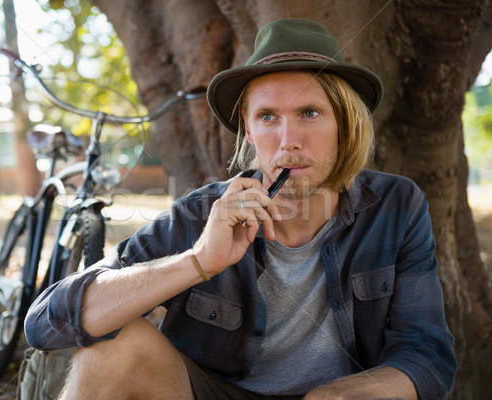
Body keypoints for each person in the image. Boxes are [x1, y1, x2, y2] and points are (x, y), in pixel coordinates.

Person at [24, 18, 457, 399]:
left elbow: (427, 353)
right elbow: (46, 324)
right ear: (248, 130)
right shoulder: (202, 215)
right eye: (268, 116)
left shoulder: (396, 206)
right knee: (113, 347)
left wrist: (346, 394)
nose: (288, 140)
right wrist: (197, 262)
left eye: (310, 112)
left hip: (339, 396)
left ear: (344, 125)